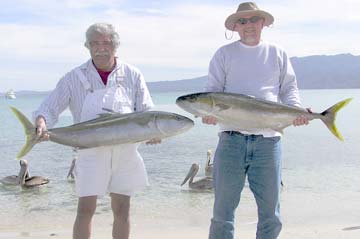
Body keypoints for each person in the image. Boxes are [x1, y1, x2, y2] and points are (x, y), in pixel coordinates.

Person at [33, 23, 159, 239]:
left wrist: (155, 132)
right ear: (87, 46)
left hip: (126, 153)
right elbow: (49, 106)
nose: (101, 48)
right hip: (89, 152)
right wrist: (42, 122)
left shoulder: (133, 74)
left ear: (115, 46)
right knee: (85, 210)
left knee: (122, 209)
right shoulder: (74, 77)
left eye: (106, 43)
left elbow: (146, 111)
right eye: (95, 43)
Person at [203, 2, 309, 239]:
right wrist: (209, 114)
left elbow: (289, 89)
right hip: (231, 141)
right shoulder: (224, 54)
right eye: (242, 21)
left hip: (268, 143)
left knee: (271, 214)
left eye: (253, 20)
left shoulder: (277, 52)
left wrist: (297, 111)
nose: (248, 25)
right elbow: (212, 93)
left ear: (263, 22)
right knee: (222, 214)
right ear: (235, 26)